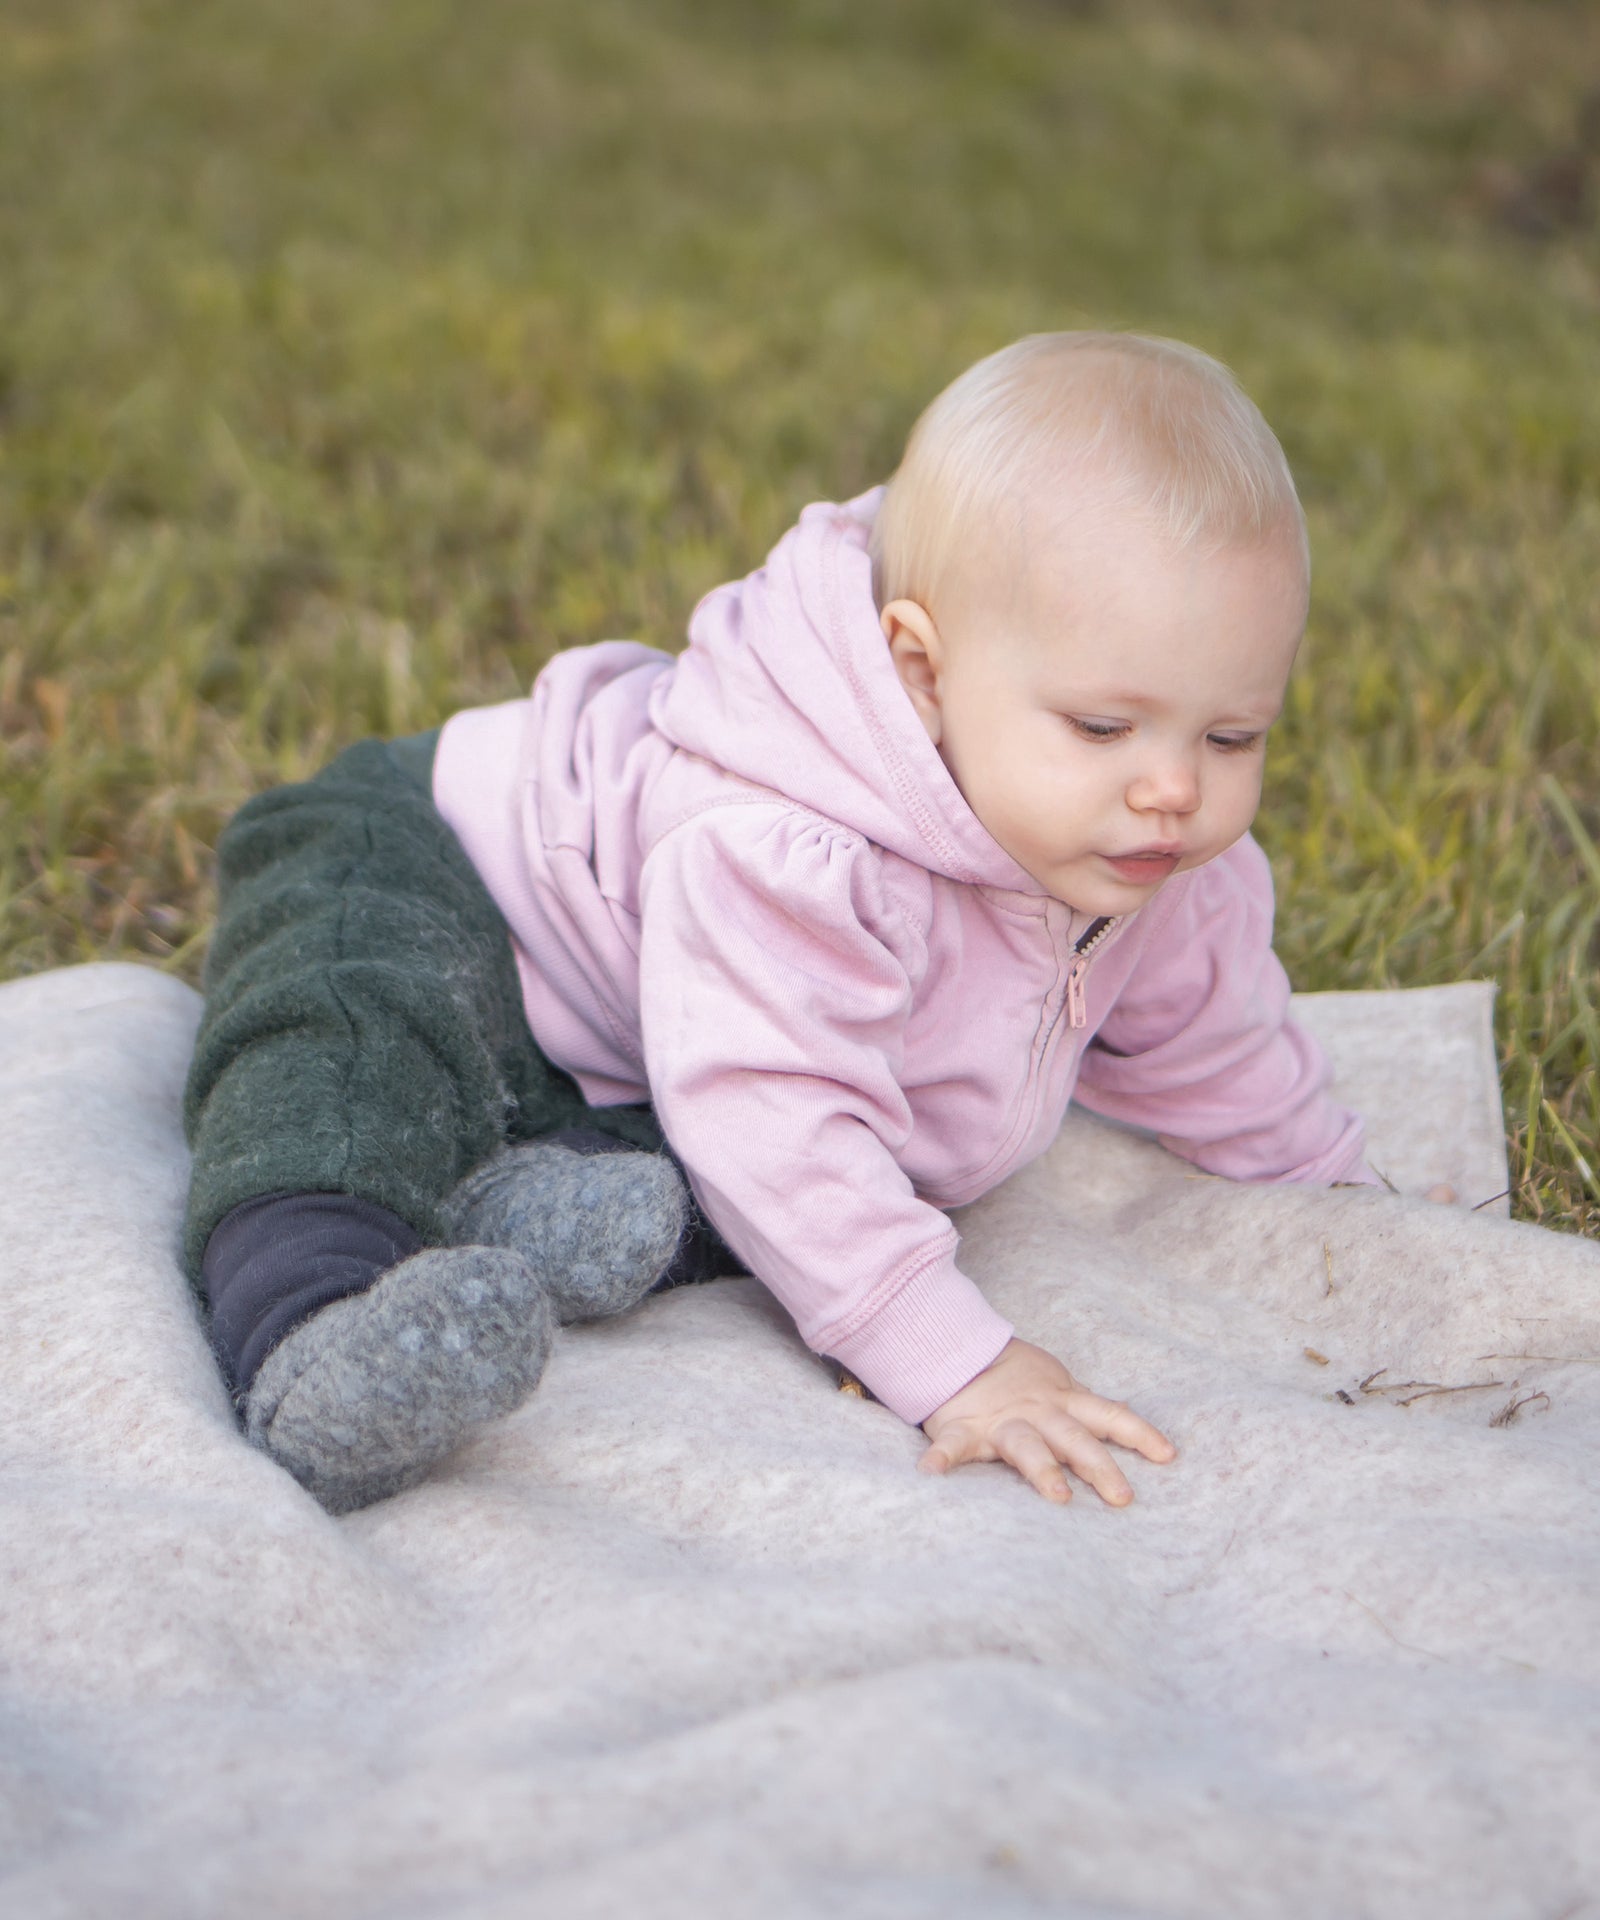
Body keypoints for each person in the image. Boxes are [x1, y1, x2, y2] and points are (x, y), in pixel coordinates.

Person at [184, 330, 1377, 1516]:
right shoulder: (792, 848)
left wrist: (1334, 1197)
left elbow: (1218, 1049)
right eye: (1104, 728)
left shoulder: (1148, 852)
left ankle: (530, 1197)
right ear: (922, 668)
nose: (1173, 787)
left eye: (1232, 737)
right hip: (436, 858)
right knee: (348, 1056)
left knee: (739, 1186)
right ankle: (319, 1324)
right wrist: (956, 1362)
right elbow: (774, 1114)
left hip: (648, 1033)